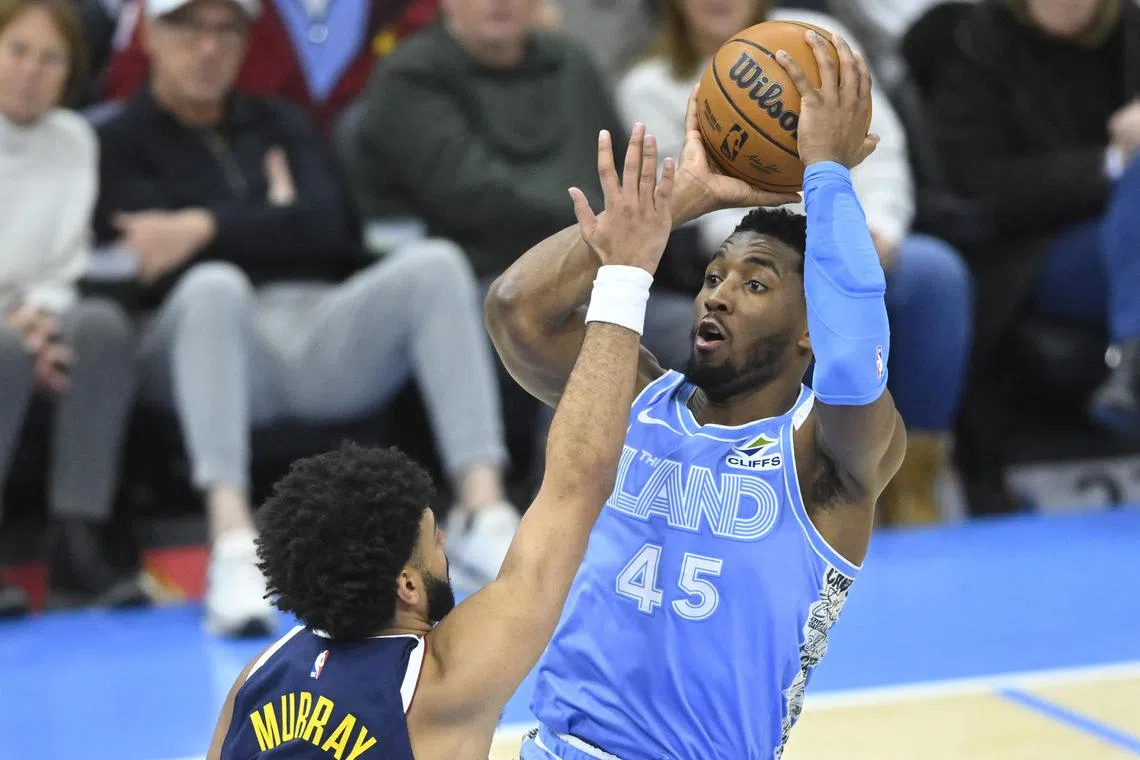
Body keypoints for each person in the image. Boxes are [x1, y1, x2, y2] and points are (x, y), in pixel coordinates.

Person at [486, 31, 906, 759]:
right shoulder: (635, 401)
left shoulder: (826, 461)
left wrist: (828, 174)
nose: (718, 297)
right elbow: (516, 308)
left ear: (810, 329)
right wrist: (679, 201)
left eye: (755, 284)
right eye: (715, 276)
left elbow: (855, 357)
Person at [205, 129, 678, 759]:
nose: (445, 548)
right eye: (434, 541)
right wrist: (625, 277)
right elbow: (577, 481)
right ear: (406, 586)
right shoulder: (442, 683)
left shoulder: (255, 681)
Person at [92, 0, 520, 636]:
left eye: (225, 31)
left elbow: (330, 227)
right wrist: (267, 219)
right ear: (150, 36)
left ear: (246, 43)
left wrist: (199, 225)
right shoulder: (112, 140)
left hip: (313, 325)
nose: (208, 47)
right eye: (188, 28)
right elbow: (136, 262)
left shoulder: (282, 122)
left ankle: (483, 511)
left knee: (435, 265)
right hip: (194, 347)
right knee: (215, 286)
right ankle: (234, 540)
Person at [617, 0, 970, 524]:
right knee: (767, 301)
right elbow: (700, 209)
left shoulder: (817, 38)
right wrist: (811, 254)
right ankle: (805, 486)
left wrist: (880, 229)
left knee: (934, 273)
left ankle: (914, 478)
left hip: (853, 233)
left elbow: (881, 150)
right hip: (762, 259)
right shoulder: (648, 85)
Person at [0, 0, 144, 614]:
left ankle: (76, 543)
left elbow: (66, 261)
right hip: (5, 328)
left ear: (69, 75)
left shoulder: (76, 140)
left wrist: (39, 318)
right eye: (17, 50)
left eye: (50, 58)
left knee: (103, 327)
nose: (31, 70)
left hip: (34, 314)